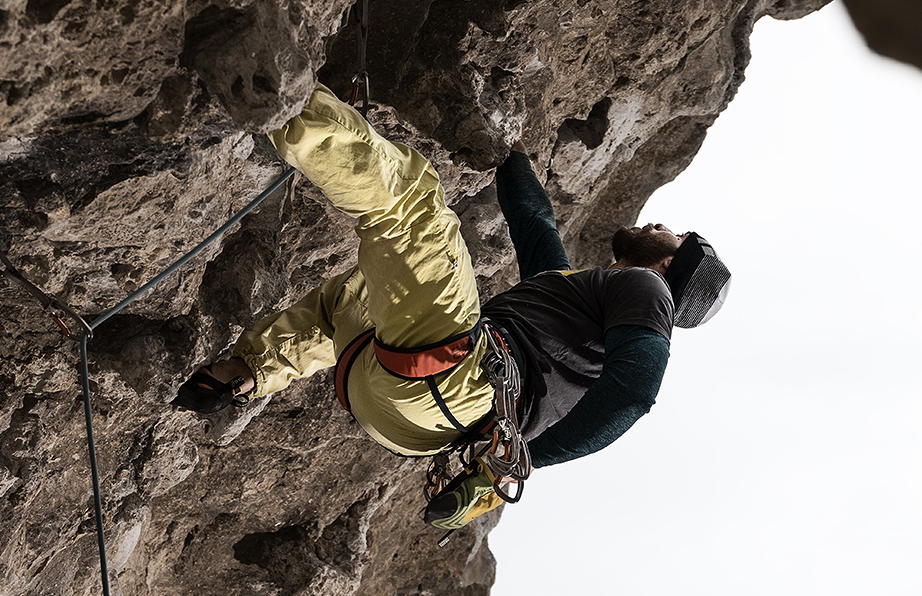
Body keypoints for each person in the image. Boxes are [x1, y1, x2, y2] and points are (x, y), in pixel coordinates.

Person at [175, 84, 729, 524]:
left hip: (464, 381)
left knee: (411, 204)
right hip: (407, 419)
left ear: (668, 270)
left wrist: (519, 460)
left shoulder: (648, 291)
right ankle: (246, 372)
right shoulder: (576, 302)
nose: (662, 225)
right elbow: (535, 226)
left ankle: (273, 92)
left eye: (677, 238)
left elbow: (633, 392)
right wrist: (508, 151)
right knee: (350, 296)